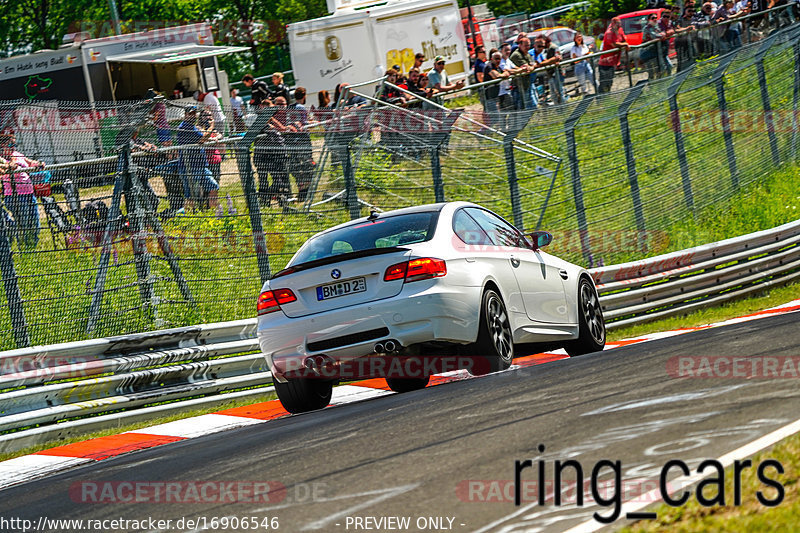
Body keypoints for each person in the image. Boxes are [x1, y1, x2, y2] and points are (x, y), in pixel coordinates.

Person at [0, 133, 42, 248]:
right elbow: (6, 168)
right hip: (15, 196)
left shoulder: (17, 155)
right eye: (10, 144)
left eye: (14, 144)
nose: (13, 147)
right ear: (2, 145)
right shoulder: (2, 159)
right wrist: (10, 165)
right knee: (23, 223)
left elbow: (29, 162)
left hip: (29, 194)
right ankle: (23, 247)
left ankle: (33, 246)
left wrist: (38, 164)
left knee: (35, 222)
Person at [176, 107, 219, 209]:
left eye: (194, 113)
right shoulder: (185, 127)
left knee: (214, 187)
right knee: (190, 195)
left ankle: (214, 213)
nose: (193, 115)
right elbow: (202, 139)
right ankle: (189, 218)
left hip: (200, 165)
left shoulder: (193, 126)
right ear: (185, 115)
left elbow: (202, 137)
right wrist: (211, 127)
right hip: (189, 167)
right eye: (190, 113)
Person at [253, 100, 291, 206]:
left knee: (277, 180)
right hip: (261, 157)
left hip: (271, 156)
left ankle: (267, 196)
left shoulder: (270, 120)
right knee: (263, 180)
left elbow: (281, 128)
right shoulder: (260, 122)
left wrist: (286, 127)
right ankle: (264, 201)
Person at [284, 88, 314, 201]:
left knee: (296, 166)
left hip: (291, 140)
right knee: (306, 164)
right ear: (304, 96)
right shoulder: (301, 108)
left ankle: (301, 189)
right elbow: (304, 123)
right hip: (302, 140)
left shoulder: (288, 108)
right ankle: (307, 190)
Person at [598, 18, 629, 93]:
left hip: (613, 61)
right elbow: (614, 44)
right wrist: (625, 44)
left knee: (610, 81)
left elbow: (623, 39)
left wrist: (625, 43)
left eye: (619, 23)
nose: (619, 25)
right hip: (605, 62)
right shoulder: (609, 33)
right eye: (617, 23)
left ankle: (607, 97)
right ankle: (600, 99)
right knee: (604, 82)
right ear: (613, 24)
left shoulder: (620, 30)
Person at [509, 38, 535, 109]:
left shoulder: (527, 53)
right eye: (525, 45)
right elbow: (527, 68)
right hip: (518, 87)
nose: (528, 47)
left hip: (526, 84)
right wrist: (531, 67)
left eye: (529, 45)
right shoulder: (516, 55)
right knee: (522, 109)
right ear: (520, 45)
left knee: (533, 106)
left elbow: (533, 65)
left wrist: (531, 67)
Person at [641, 13, 667, 80]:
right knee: (652, 72)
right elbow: (654, 36)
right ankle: (651, 86)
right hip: (647, 52)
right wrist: (662, 35)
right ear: (649, 20)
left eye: (656, 17)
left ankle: (659, 84)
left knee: (659, 69)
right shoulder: (647, 28)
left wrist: (663, 34)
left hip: (655, 51)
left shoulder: (656, 27)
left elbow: (663, 32)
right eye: (653, 18)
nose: (655, 19)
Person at [676, 6, 698, 71]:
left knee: (694, 56)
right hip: (681, 43)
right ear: (685, 12)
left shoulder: (694, 19)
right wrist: (686, 29)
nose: (691, 13)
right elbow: (677, 29)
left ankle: (693, 71)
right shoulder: (680, 20)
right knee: (681, 60)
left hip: (691, 41)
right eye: (689, 11)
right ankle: (679, 74)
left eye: (692, 11)